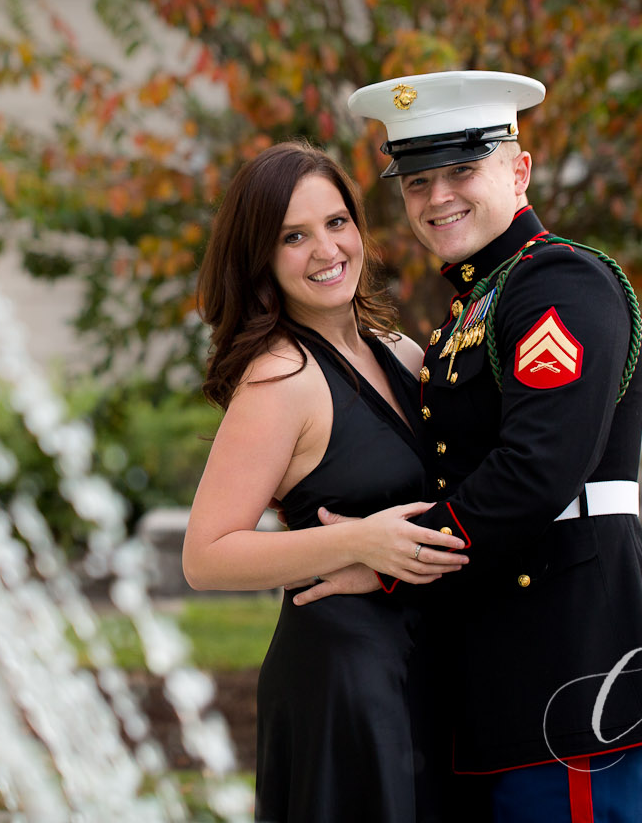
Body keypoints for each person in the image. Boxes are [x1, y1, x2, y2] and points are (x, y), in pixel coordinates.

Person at [295, 70, 642, 823]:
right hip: (505, 677)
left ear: (520, 171)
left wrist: (388, 561)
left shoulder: (560, 284)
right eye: (417, 180)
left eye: (461, 170)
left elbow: (537, 470)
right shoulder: (480, 303)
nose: (436, 196)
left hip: (574, 669)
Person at [182, 141, 467, 822]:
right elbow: (206, 555)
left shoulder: (400, 352)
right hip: (346, 680)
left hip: (427, 659)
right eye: (293, 237)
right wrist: (357, 543)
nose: (326, 250)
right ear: (261, 257)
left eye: (337, 223)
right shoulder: (280, 378)